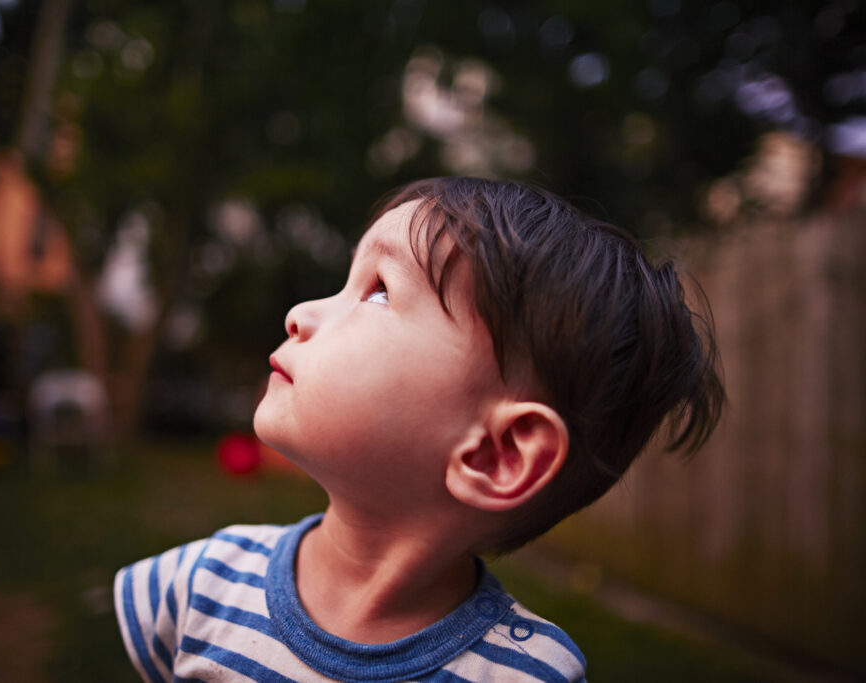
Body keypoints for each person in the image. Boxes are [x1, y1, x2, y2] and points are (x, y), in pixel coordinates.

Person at [114, 177, 725, 682]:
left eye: (378, 292)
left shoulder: (528, 675)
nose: (299, 315)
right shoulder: (200, 585)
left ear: (496, 454)